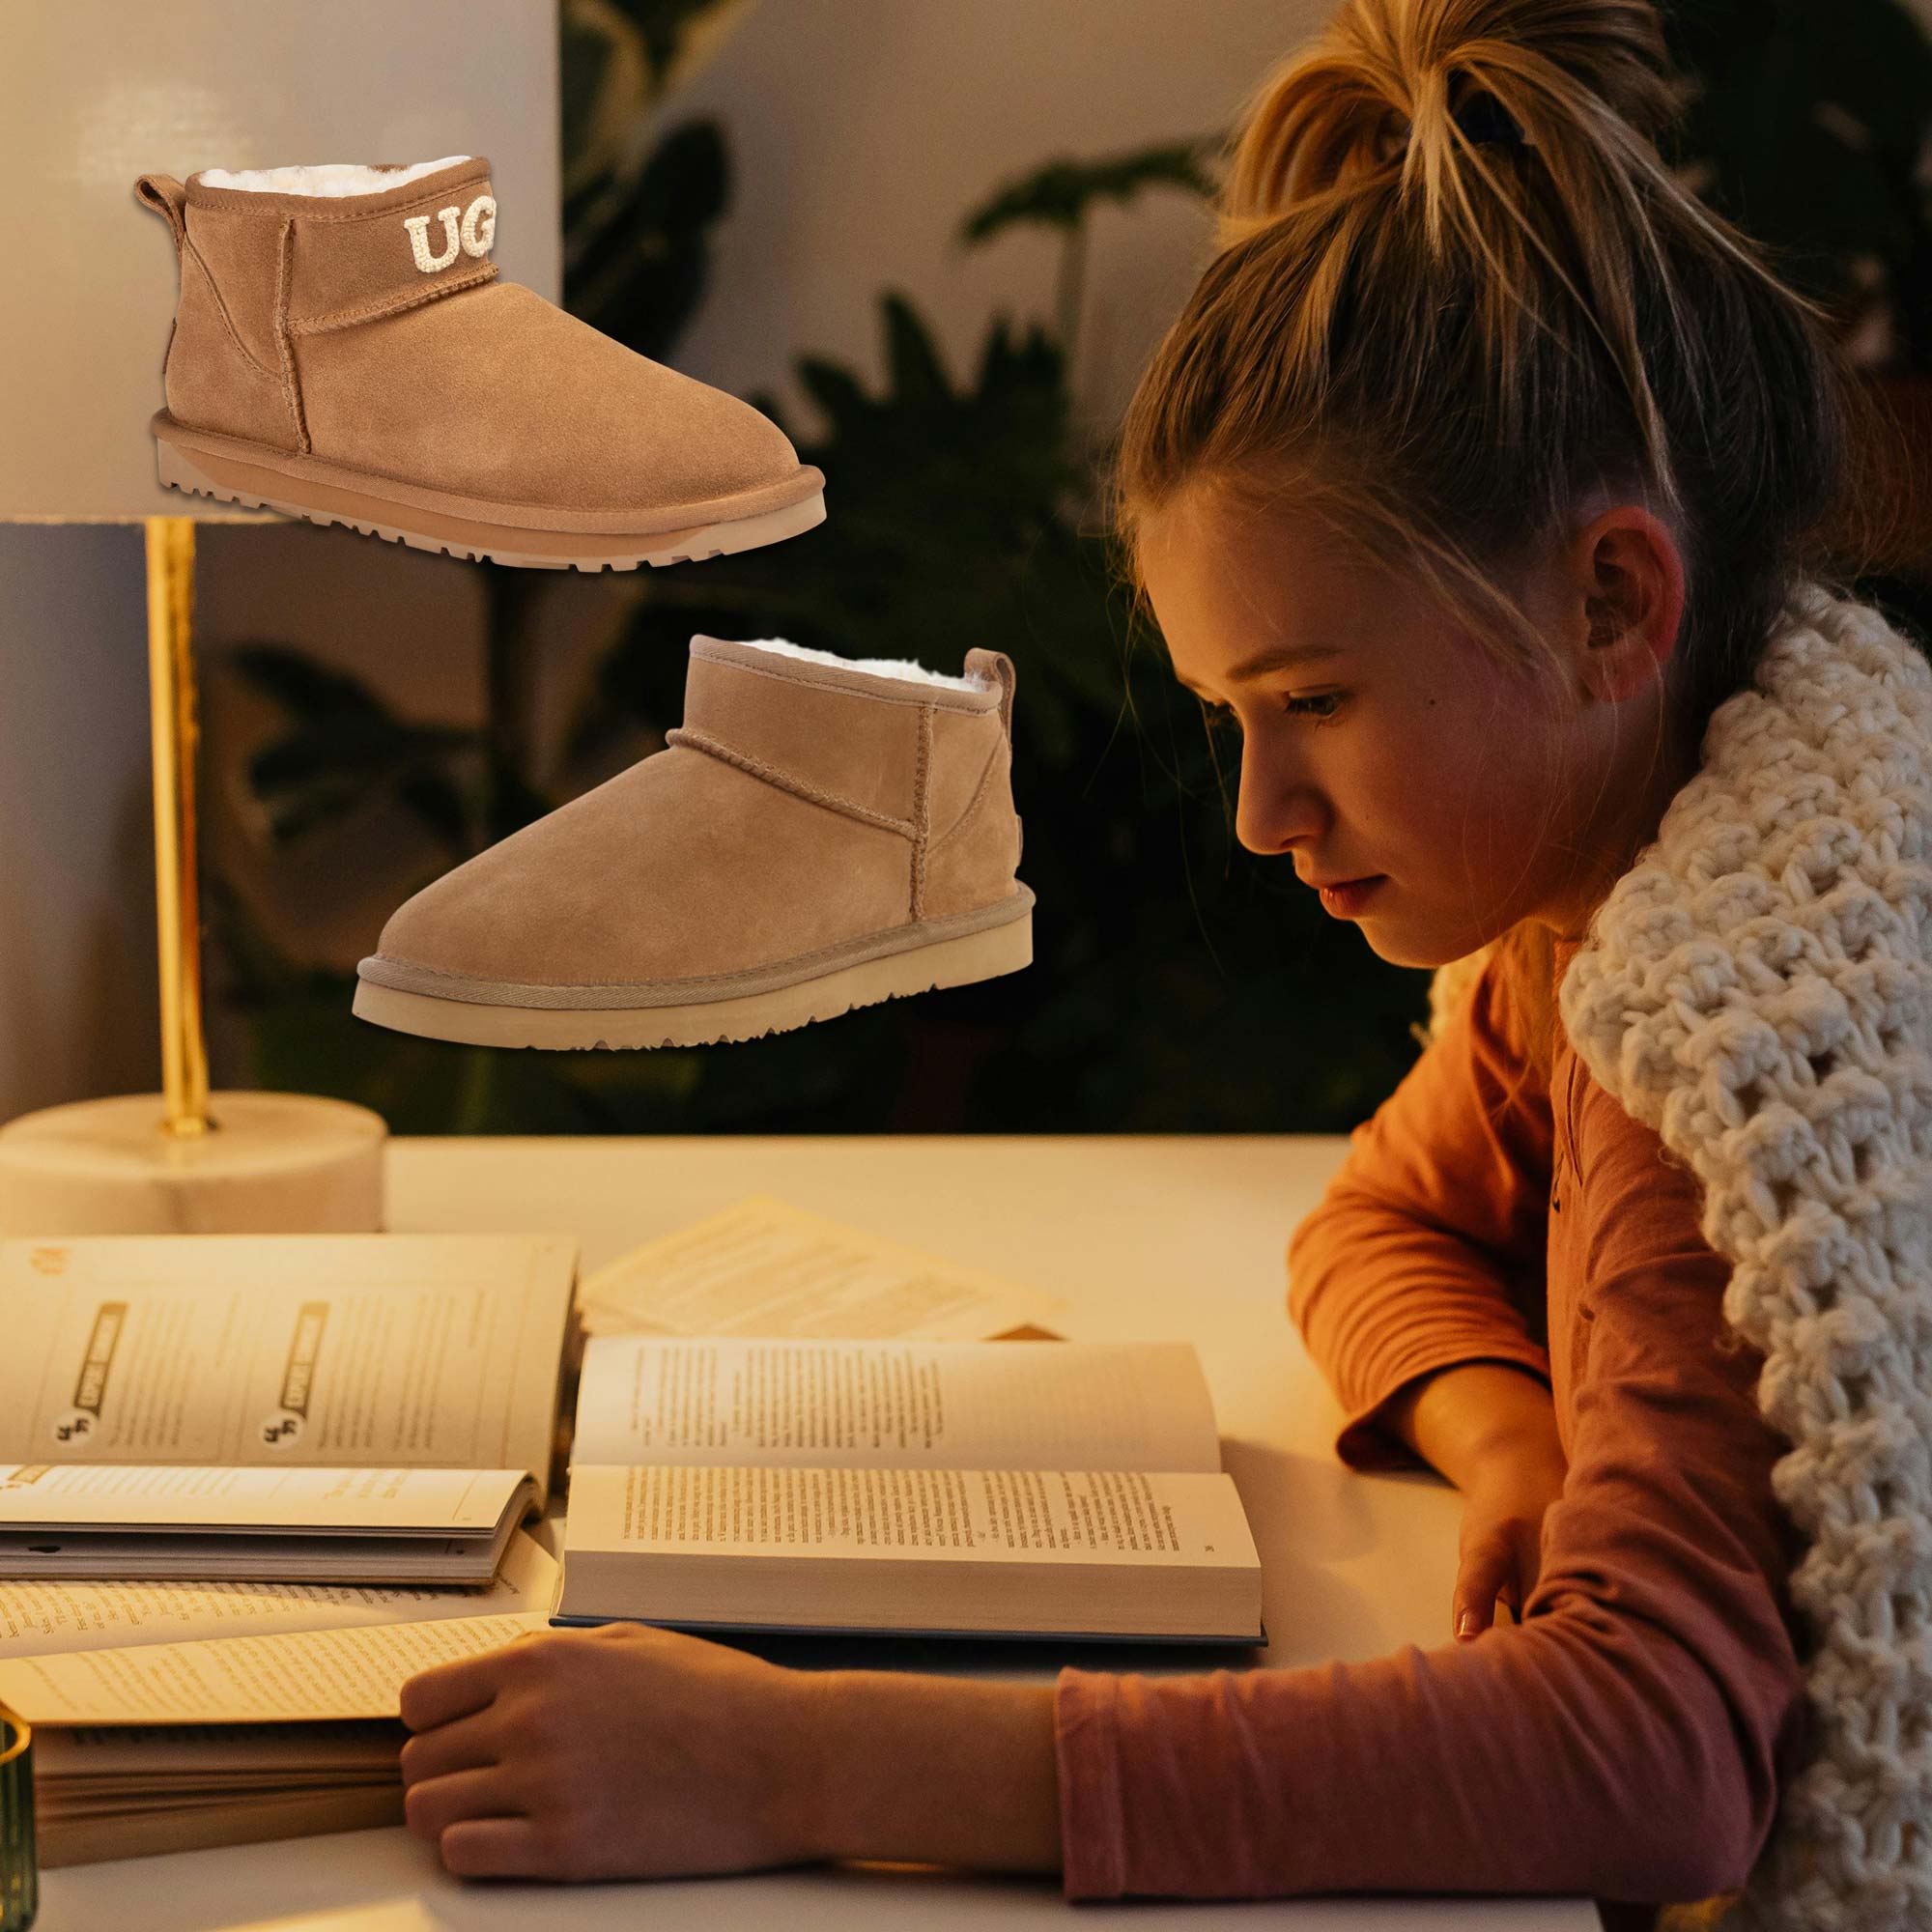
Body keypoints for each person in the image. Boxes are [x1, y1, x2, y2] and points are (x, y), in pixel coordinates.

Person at [392, 0, 1926, 1924]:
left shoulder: (1719, 1048)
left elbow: (1652, 1757)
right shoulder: (1644, 874)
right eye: (1233, 718)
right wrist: (1509, 1435)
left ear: (1611, 600)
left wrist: (789, 1759)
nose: (1262, 813)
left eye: (1317, 701)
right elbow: (1381, 1219)